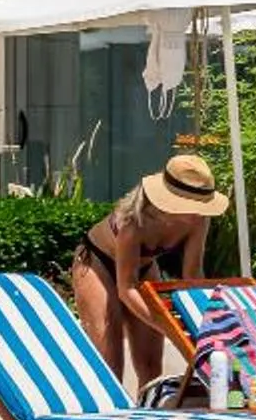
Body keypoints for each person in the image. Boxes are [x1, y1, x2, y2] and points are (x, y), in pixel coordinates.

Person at [70, 150, 228, 398]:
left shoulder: (199, 219)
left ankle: (148, 411)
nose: (196, 211)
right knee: (110, 360)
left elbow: (192, 276)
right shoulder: (133, 221)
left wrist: (202, 320)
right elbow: (127, 288)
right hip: (97, 262)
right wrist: (167, 326)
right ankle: (111, 411)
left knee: (151, 364)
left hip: (144, 266)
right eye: (191, 205)